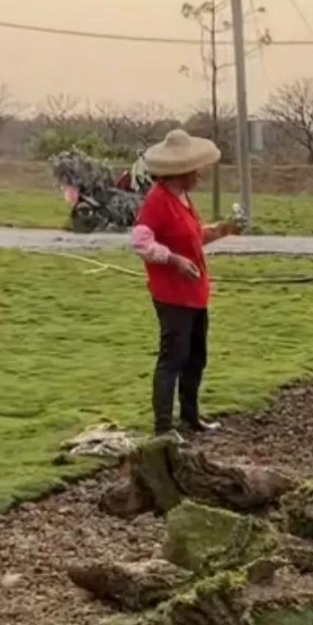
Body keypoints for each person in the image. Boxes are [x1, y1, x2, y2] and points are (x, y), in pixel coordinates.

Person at [131, 128, 241, 437]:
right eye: (196, 170)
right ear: (182, 171)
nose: (200, 176)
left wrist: (222, 230)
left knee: (195, 358)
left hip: (195, 294)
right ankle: (163, 428)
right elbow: (140, 242)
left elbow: (192, 238)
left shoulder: (183, 199)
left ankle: (190, 417)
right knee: (172, 359)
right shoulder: (157, 201)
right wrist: (173, 260)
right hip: (172, 295)